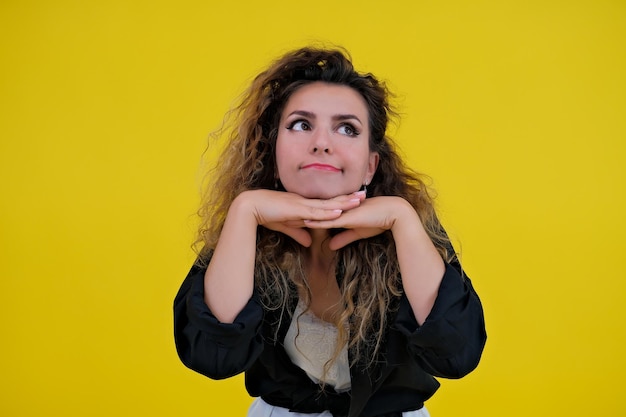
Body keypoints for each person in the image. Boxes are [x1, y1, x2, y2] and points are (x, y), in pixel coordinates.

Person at [174, 46, 486, 417]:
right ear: (273, 154)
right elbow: (214, 357)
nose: (321, 142)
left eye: (346, 128)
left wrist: (403, 219)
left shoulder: (410, 226)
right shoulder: (246, 229)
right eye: (301, 125)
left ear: (371, 167)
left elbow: (455, 355)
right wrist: (244, 212)